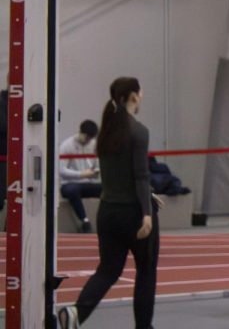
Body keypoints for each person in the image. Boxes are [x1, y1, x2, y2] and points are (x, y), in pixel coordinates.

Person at [57, 78, 159, 329]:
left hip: (108, 212)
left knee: (108, 271)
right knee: (146, 272)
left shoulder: (106, 133)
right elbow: (140, 174)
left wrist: (147, 193)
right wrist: (147, 213)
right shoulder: (139, 131)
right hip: (133, 212)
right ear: (134, 96)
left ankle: (76, 313)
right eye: (141, 91)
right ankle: (143, 327)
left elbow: (119, 174)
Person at [60, 119, 102, 233]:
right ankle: (85, 220)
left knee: (107, 189)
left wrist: (95, 172)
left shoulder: (93, 144)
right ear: (81, 132)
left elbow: (98, 164)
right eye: (87, 137)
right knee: (72, 190)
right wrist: (81, 174)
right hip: (69, 184)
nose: (88, 140)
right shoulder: (67, 145)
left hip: (89, 182)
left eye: (91, 138)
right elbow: (61, 170)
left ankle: (106, 220)